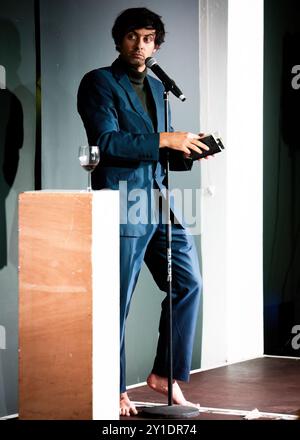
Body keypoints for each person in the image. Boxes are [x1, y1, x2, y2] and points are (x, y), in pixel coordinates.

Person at [77, 7, 211, 417]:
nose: (141, 45)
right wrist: (164, 139)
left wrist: (190, 149)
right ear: (119, 40)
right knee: (116, 302)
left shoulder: (157, 89)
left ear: (157, 43)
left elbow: (158, 152)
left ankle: (164, 375)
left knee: (189, 282)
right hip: (121, 202)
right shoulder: (99, 82)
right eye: (133, 36)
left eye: (150, 38)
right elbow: (106, 143)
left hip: (156, 199)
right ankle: (113, 389)